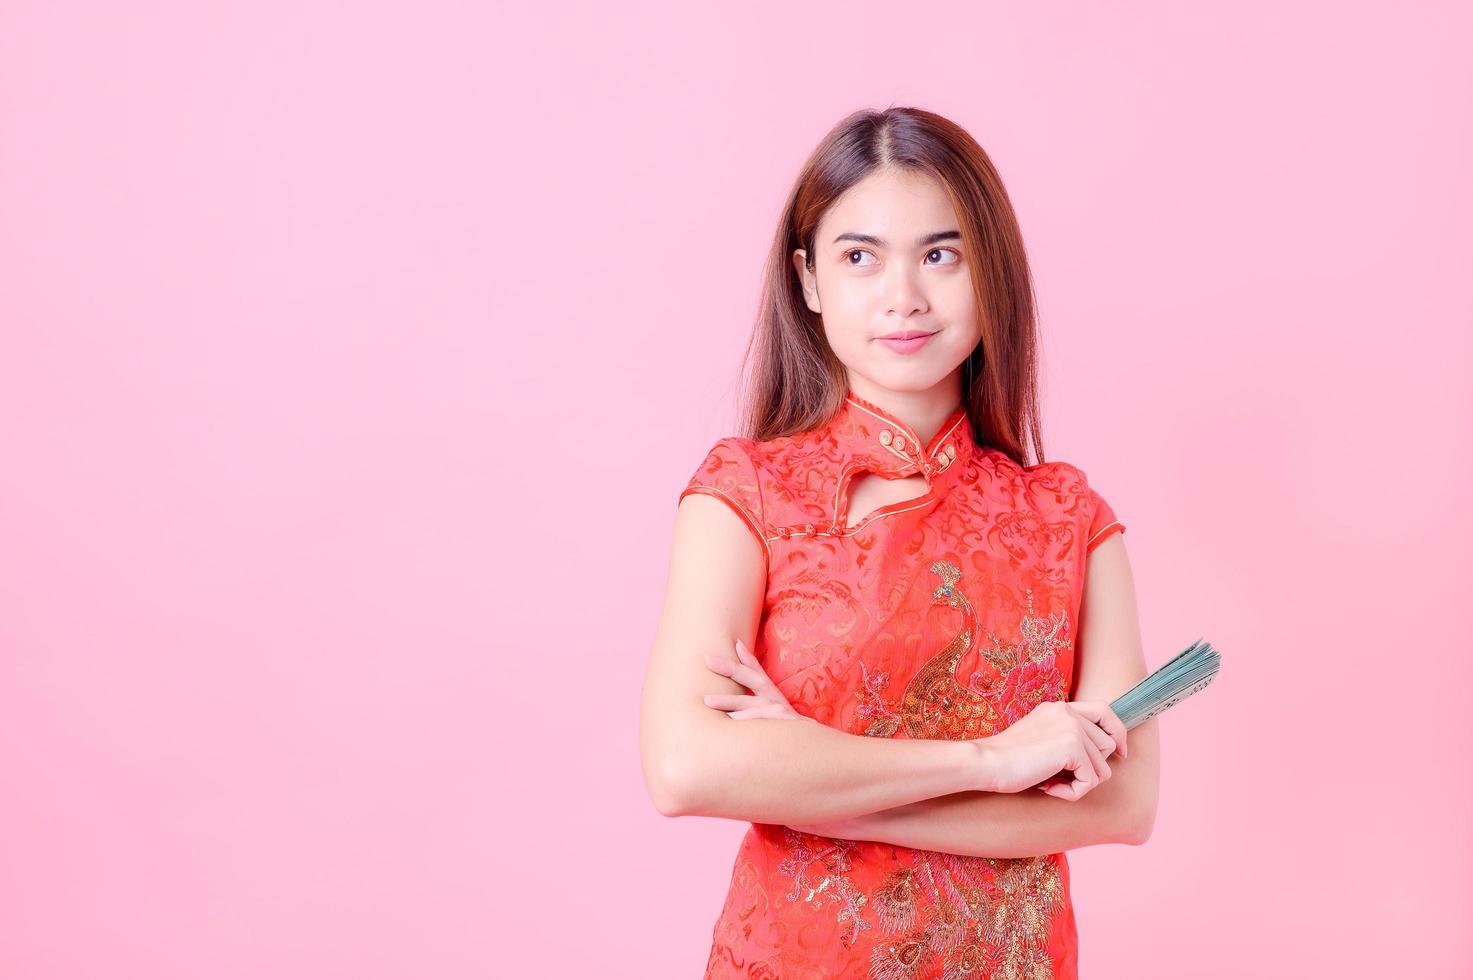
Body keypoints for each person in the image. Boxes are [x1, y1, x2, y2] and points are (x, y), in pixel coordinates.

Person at [639, 106, 1160, 980]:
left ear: (990, 272)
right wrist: (994, 763)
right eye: (859, 256)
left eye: (940, 254)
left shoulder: (1070, 519)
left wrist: (812, 785)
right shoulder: (747, 496)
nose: (902, 295)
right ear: (807, 281)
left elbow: (1124, 803)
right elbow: (685, 768)